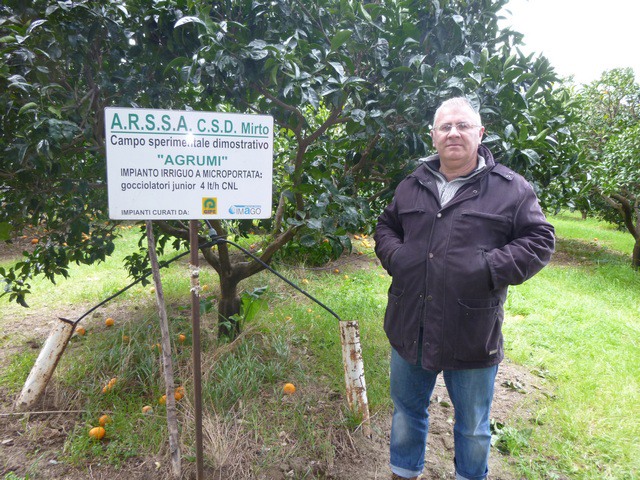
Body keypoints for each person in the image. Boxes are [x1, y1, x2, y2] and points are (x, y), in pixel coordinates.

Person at [374, 97, 555, 480]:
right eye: (445, 127)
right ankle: (403, 471)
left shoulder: (510, 189)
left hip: (471, 329)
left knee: (473, 424)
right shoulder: (412, 185)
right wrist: (398, 257)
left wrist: (488, 267)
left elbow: (540, 240)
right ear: (433, 136)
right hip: (410, 323)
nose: (453, 133)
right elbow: (386, 226)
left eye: (463, 125)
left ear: (480, 133)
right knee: (407, 411)